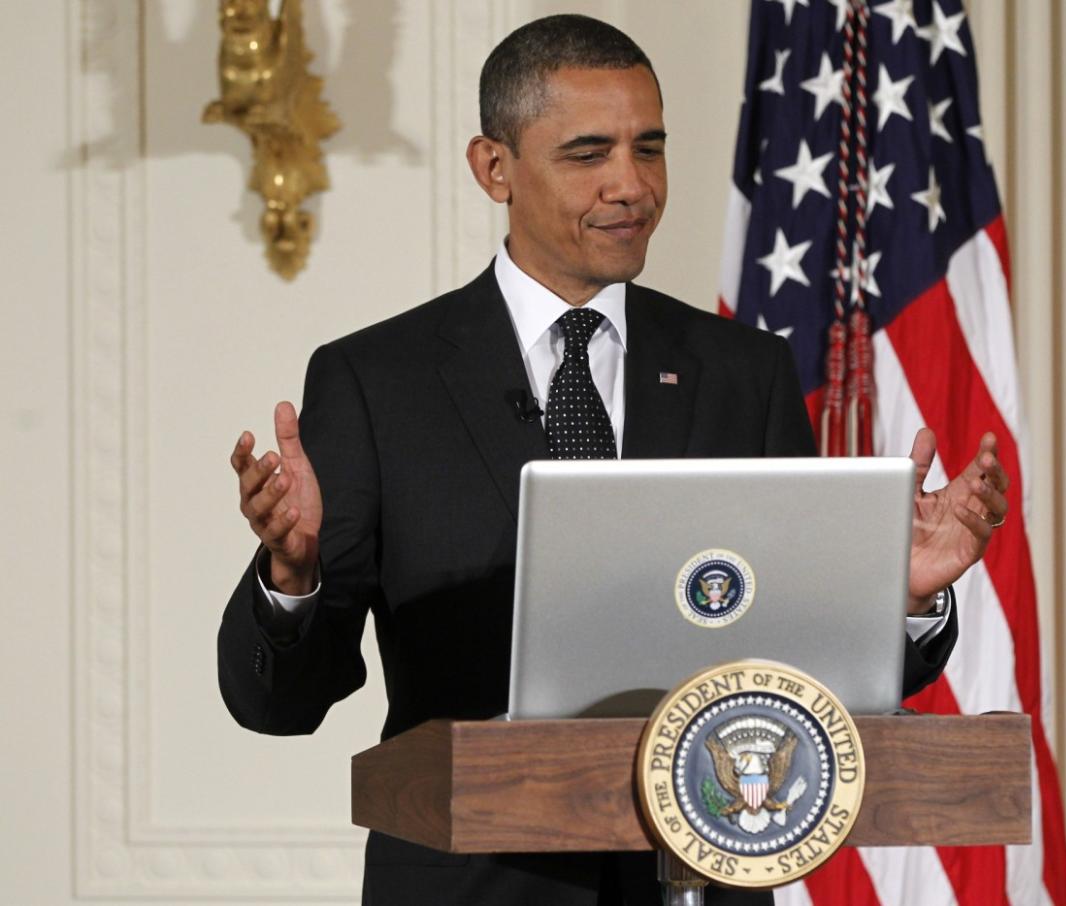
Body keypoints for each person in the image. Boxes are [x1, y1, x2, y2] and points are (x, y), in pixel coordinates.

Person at [218, 14, 1010, 906]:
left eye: (650, 148)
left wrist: (897, 596)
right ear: (494, 168)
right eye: (589, 153)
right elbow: (281, 703)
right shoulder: (374, 380)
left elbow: (811, 679)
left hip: (700, 883)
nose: (631, 185)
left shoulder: (743, 371)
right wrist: (293, 574)